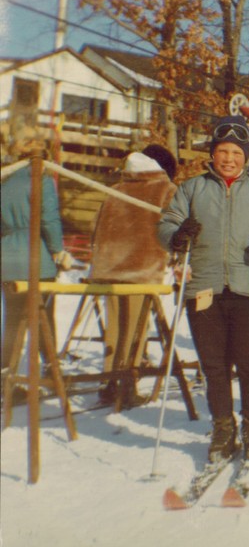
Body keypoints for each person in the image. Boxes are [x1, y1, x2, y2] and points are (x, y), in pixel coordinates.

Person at [158, 115, 249, 462]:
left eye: (236, 151)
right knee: (214, 364)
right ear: (212, 153)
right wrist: (176, 235)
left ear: (247, 155)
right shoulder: (192, 188)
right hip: (204, 287)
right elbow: (167, 223)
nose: (229, 158)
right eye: (222, 151)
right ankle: (222, 426)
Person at [88, 146, 177, 407]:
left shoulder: (117, 188)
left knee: (114, 327)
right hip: (142, 267)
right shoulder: (165, 189)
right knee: (137, 328)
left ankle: (108, 382)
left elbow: (94, 225)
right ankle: (127, 383)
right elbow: (173, 226)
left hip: (109, 268)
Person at [2, 127, 72, 373]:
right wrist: (58, 250)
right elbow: (49, 219)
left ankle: (5, 375)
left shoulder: (4, 178)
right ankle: (52, 369)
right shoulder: (41, 179)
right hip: (35, 256)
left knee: (11, 322)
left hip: (8, 256)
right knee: (43, 318)